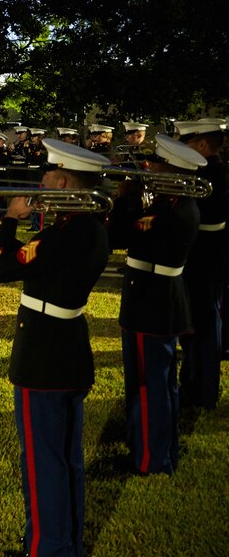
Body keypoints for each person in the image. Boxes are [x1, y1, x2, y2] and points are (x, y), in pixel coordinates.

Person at [0, 139, 111, 557]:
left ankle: (47, 550)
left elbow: (1, 269)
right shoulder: (86, 227)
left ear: (63, 180)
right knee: (65, 460)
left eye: (47, 174)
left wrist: (3, 223)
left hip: (43, 357)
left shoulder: (66, 233)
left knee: (43, 462)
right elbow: (33, 260)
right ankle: (64, 544)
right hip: (66, 350)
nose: (41, 180)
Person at [108, 134, 205, 475]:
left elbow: (118, 237)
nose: (151, 168)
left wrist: (126, 199)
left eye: (158, 164)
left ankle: (152, 458)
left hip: (152, 301)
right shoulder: (170, 203)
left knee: (150, 384)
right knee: (156, 382)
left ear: (174, 171)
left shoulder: (171, 209)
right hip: (154, 297)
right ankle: (153, 447)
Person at [174, 120, 228, 410]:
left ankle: (201, 389)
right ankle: (196, 384)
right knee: (199, 325)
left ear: (203, 146)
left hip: (205, 259)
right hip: (208, 258)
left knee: (202, 327)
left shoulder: (209, 176)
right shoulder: (212, 172)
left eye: (189, 144)